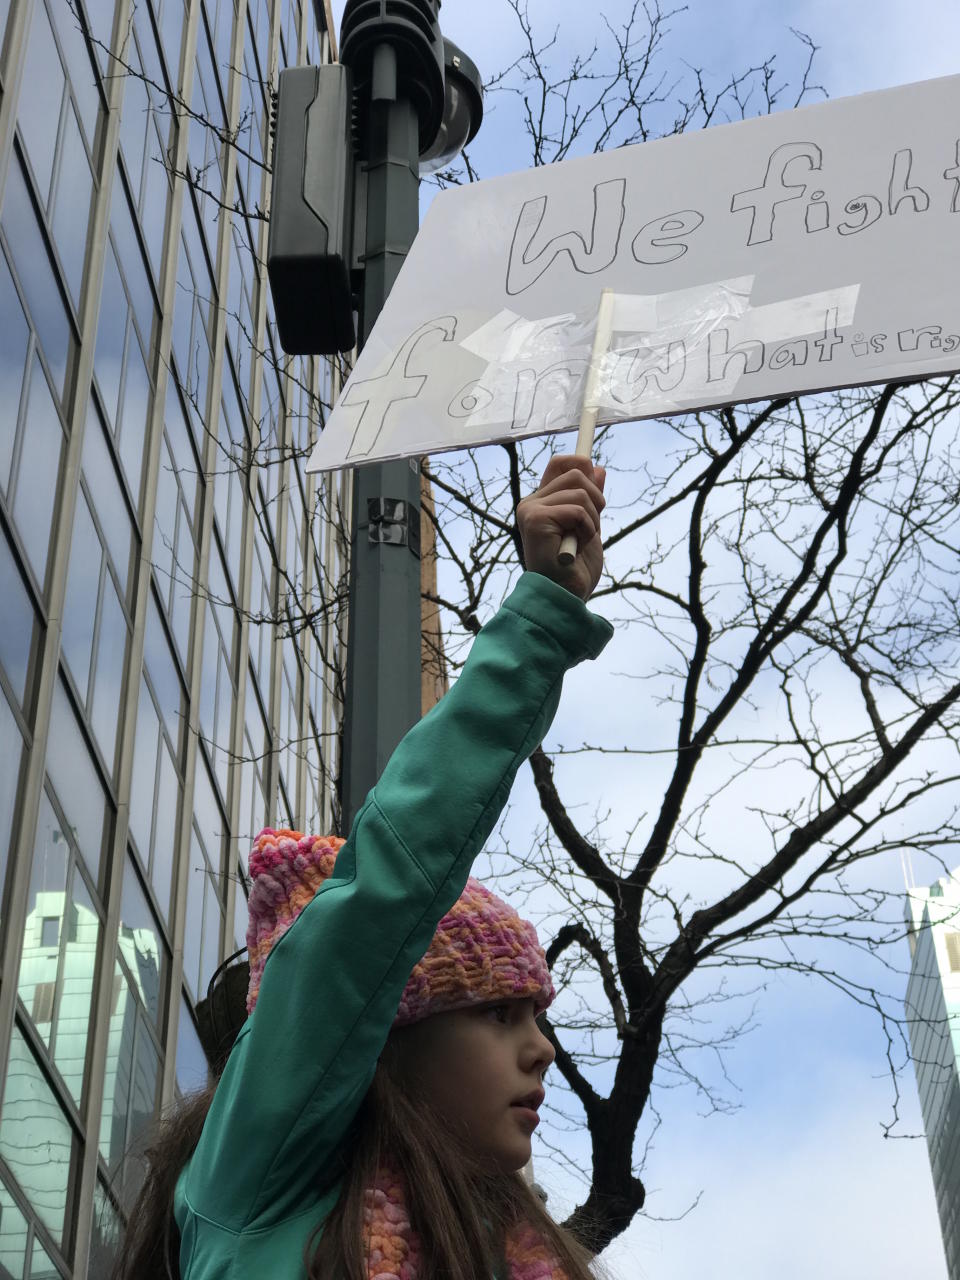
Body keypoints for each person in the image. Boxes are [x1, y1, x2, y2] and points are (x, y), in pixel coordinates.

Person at [113, 454, 613, 1280]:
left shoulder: (527, 1252)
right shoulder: (257, 1179)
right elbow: (389, 888)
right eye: (498, 1015)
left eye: (534, 1017)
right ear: (379, 1027)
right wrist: (542, 620)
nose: (542, 1051)